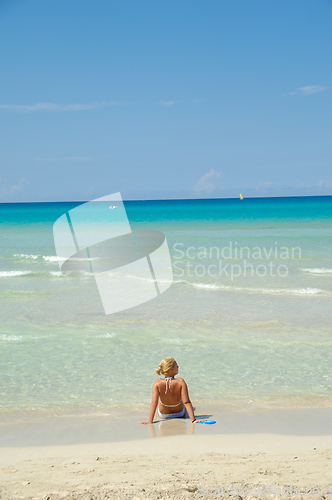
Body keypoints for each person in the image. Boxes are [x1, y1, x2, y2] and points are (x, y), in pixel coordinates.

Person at [139, 357, 206, 424]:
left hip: (163, 415)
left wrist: (150, 422)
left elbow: (154, 403)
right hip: (180, 414)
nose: (178, 367)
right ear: (171, 369)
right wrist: (193, 420)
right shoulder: (181, 382)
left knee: (159, 399)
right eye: (176, 365)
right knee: (182, 399)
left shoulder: (157, 383)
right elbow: (186, 402)